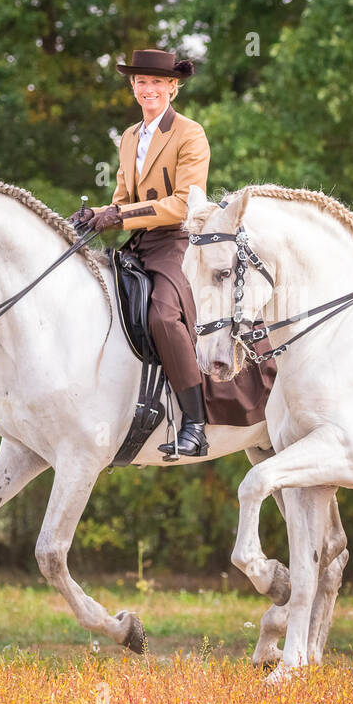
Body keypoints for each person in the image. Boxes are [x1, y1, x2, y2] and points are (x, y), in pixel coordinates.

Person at [70, 48, 213, 457]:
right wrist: (94, 214)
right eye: (140, 82)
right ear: (133, 87)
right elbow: (121, 199)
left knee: (162, 316)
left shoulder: (190, 133)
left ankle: (196, 424)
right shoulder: (129, 137)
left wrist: (117, 214)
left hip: (176, 241)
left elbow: (185, 203)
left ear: (172, 87)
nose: (148, 89)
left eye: (156, 83)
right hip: (137, 242)